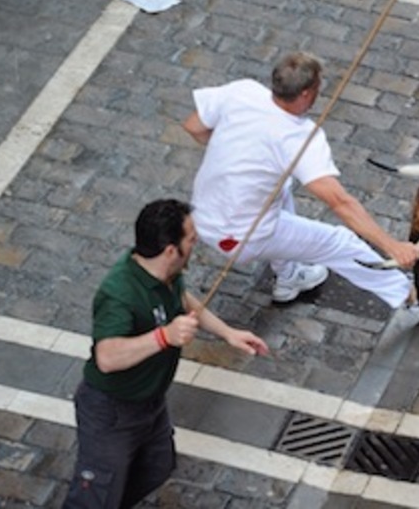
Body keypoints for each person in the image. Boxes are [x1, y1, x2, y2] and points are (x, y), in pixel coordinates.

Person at [182, 51, 419, 324]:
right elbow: (340, 203)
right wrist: (392, 246)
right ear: (305, 94)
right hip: (242, 236)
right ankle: (412, 298)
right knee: (341, 243)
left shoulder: (242, 90)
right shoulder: (300, 137)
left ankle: (288, 277)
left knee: (283, 187)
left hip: (200, 214)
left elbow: (193, 126)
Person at [64, 199, 269, 508]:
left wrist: (227, 332)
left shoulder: (167, 274)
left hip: (151, 404)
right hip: (112, 413)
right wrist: (164, 336)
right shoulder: (119, 293)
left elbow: (183, 299)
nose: (195, 242)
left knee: (157, 467)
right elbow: (107, 356)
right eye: (190, 238)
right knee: (95, 497)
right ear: (171, 250)